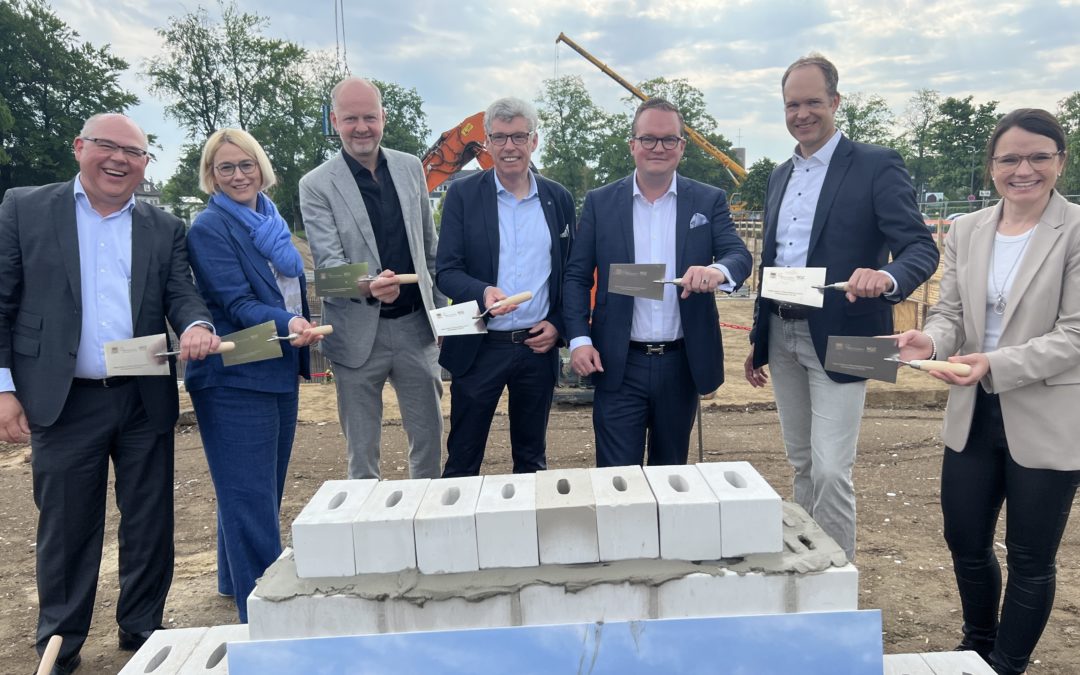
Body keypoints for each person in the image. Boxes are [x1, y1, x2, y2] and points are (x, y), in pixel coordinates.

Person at [0, 113, 219, 673]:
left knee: (149, 519)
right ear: (80, 148)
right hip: (63, 397)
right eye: (107, 146)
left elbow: (180, 292)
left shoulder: (162, 225)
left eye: (135, 152)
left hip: (143, 395)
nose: (120, 159)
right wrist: (4, 388)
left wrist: (196, 326)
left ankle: (142, 627)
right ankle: (62, 641)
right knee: (67, 524)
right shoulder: (24, 209)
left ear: (146, 164)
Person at [894, 109, 1079, 675]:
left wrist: (992, 364)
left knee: (1029, 555)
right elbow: (951, 313)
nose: (1023, 169)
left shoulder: (1075, 230)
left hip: (1047, 412)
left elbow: (1074, 333)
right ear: (992, 166)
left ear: (1060, 161)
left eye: (1038, 156)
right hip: (973, 409)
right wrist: (930, 340)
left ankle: (1009, 663)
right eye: (1009, 158)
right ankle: (976, 646)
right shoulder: (969, 229)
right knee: (966, 539)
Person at [743, 54, 939, 561]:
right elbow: (776, 261)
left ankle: (833, 578)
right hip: (783, 332)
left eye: (813, 102)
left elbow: (921, 247)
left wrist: (889, 276)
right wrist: (757, 340)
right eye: (792, 104)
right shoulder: (779, 176)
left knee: (833, 469)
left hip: (849, 335)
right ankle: (804, 565)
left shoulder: (876, 164)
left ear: (835, 101)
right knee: (803, 463)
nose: (802, 113)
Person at [564, 97, 752, 467]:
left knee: (671, 477)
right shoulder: (601, 203)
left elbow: (739, 255)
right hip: (617, 364)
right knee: (618, 483)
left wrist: (717, 272)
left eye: (669, 140)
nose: (658, 148)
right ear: (632, 144)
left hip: (680, 364)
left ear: (682, 146)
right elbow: (575, 276)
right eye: (648, 139)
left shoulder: (708, 200)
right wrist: (579, 339)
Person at [185, 128, 324, 622]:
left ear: (262, 168)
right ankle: (264, 611)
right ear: (211, 176)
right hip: (234, 376)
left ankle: (231, 579)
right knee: (251, 498)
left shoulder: (270, 220)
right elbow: (235, 301)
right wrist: (292, 323)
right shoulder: (210, 228)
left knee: (259, 488)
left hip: (277, 363)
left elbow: (290, 285)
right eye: (226, 168)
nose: (239, 175)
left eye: (246, 165)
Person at [300, 77, 445, 480]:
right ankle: (369, 536)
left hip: (417, 329)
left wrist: (441, 314)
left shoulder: (410, 167)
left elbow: (429, 250)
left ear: (383, 118)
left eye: (369, 117)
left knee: (429, 448)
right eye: (350, 119)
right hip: (356, 334)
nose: (361, 127)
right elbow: (328, 272)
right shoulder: (315, 185)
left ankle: (426, 529)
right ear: (335, 121)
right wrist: (367, 286)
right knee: (362, 459)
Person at [436, 97, 575, 477]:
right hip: (479, 346)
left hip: (536, 346)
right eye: (499, 137)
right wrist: (482, 292)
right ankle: (459, 532)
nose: (509, 147)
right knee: (463, 457)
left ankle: (527, 534)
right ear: (487, 143)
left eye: (518, 136)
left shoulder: (557, 199)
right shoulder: (463, 196)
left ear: (534, 140)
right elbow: (446, 271)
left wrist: (559, 324)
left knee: (531, 460)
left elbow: (571, 274)